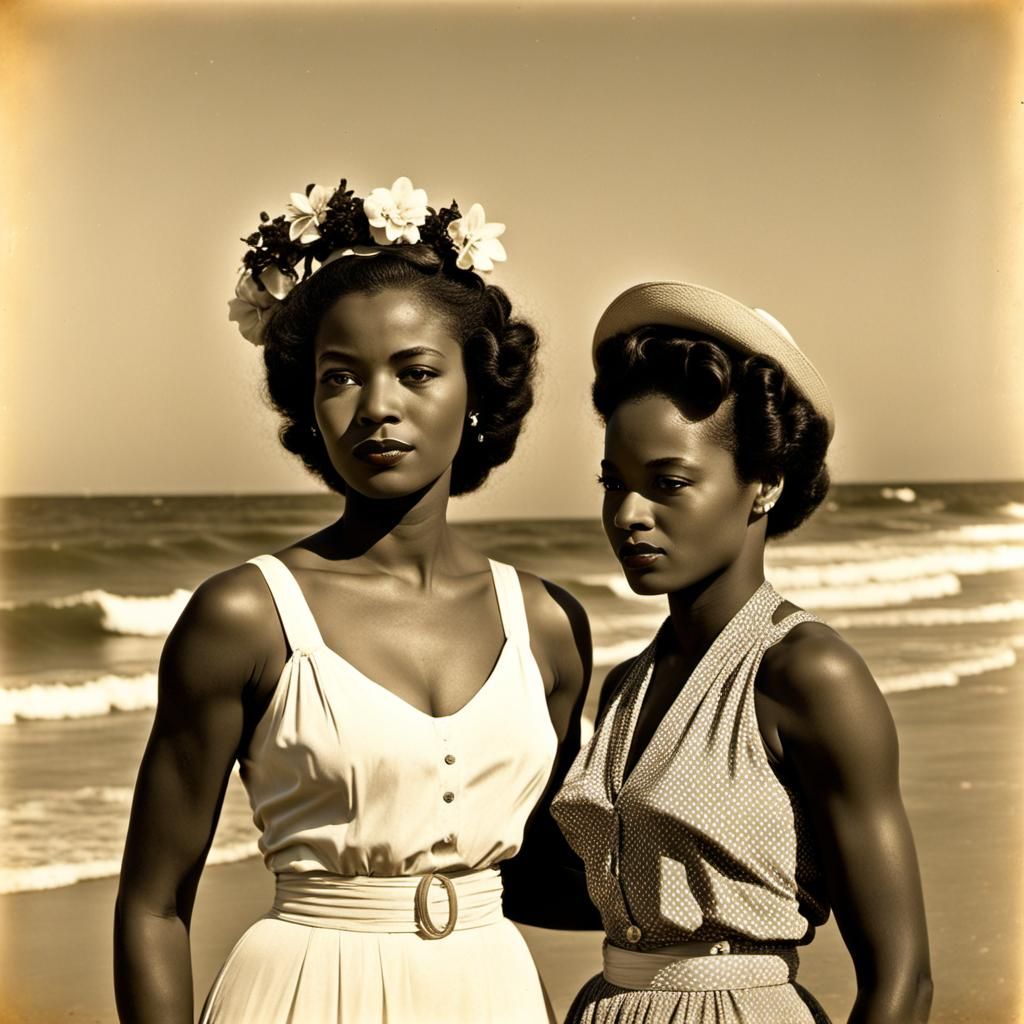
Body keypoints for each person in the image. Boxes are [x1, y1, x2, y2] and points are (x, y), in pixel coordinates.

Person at [113, 176, 591, 1024]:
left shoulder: (549, 627)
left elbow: (561, 874)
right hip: (298, 995)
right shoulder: (244, 619)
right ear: (309, 400)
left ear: (474, 393)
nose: (378, 408)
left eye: (416, 373)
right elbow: (153, 905)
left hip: (495, 996)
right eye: (341, 377)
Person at [549, 282, 932, 1023]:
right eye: (614, 484)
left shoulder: (809, 674)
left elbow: (903, 979)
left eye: (668, 483)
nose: (629, 515)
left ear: (764, 485)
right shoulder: (626, 684)